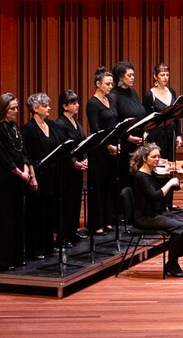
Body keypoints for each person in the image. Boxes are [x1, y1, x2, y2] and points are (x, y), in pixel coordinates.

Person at [129, 144, 183, 277]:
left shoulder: (153, 173)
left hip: (156, 214)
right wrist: (169, 183)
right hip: (145, 218)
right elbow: (154, 196)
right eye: (154, 157)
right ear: (145, 158)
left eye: (158, 156)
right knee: (180, 228)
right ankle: (171, 264)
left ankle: (173, 262)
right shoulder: (141, 176)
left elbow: (177, 186)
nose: (158, 159)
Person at [0, 93, 31, 270]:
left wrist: (27, 168)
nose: (15, 111)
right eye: (12, 108)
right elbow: (3, 157)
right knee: (5, 218)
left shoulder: (14, 127)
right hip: (5, 179)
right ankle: (3, 260)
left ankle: (16, 257)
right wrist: (19, 172)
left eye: (16, 108)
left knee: (17, 217)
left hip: (19, 177)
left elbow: (22, 150)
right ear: (3, 109)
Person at [21, 92, 61, 259]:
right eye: (45, 106)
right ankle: (35, 248)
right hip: (38, 174)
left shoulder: (51, 125)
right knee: (37, 212)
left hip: (52, 174)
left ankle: (48, 245)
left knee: (49, 210)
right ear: (35, 109)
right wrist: (33, 176)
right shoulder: (28, 129)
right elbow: (27, 155)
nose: (49, 108)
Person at [86, 66, 119, 234]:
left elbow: (114, 123)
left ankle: (107, 219)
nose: (110, 87)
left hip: (112, 149)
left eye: (112, 84)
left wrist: (116, 144)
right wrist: (108, 145)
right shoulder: (92, 103)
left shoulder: (111, 99)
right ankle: (96, 223)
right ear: (98, 84)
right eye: (107, 84)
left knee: (109, 185)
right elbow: (95, 129)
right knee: (98, 187)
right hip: (99, 150)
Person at [54, 89, 88, 244]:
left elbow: (82, 142)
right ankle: (63, 236)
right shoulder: (60, 124)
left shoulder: (76, 121)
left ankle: (73, 231)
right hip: (67, 168)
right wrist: (74, 161)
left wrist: (85, 159)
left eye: (77, 102)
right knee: (66, 202)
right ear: (65, 106)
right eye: (74, 103)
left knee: (75, 200)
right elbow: (63, 147)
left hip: (78, 167)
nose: (77, 105)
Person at [111, 61, 146, 190]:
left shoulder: (133, 92)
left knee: (139, 178)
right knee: (126, 178)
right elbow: (114, 122)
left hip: (139, 141)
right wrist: (128, 137)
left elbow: (141, 114)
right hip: (125, 143)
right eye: (129, 75)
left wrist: (145, 131)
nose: (133, 78)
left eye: (133, 75)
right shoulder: (114, 95)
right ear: (120, 77)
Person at [143, 63, 182, 160]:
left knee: (171, 163)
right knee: (159, 161)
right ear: (155, 76)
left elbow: (176, 115)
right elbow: (147, 117)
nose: (165, 78)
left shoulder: (171, 91)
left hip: (170, 132)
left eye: (167, 75)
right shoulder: (149, 95)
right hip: (156, 134)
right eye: (162, 75)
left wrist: (178, 135)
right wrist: (146, 132)